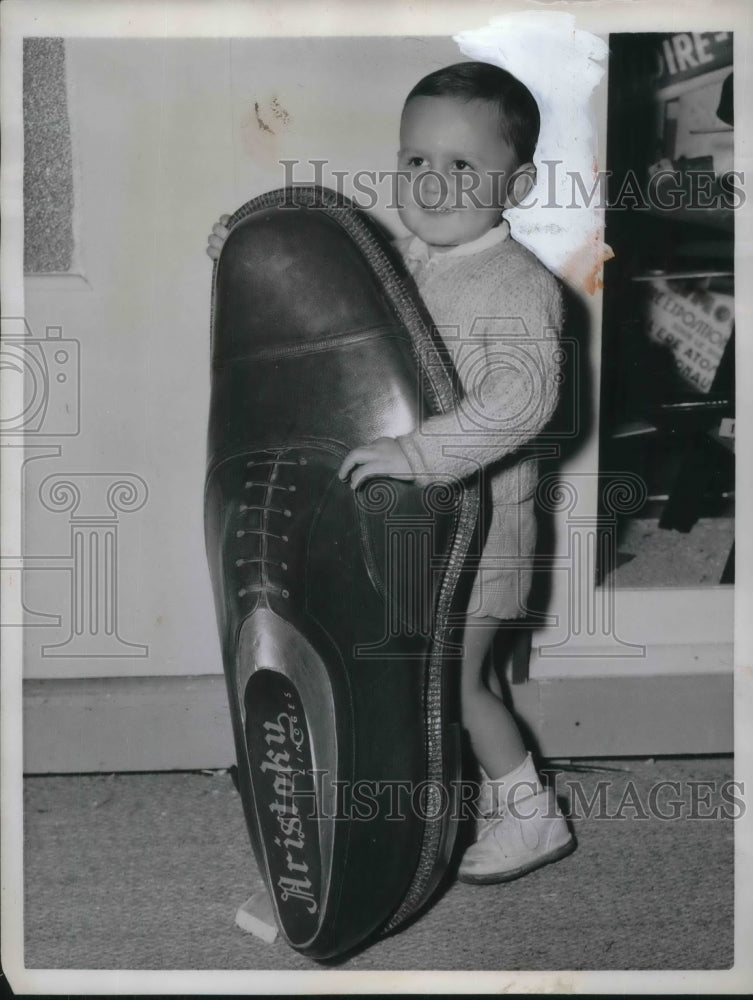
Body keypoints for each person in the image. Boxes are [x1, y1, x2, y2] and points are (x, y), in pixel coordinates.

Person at [207, 61, 574, 889]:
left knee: (457, 684)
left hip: (482, 541)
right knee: (411, 685)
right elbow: (324, 303)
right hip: (415, 533)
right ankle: (416, 813)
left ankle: (530, 815)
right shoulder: (400, 263)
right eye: (416, 163)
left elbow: (523, 400)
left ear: (517, 184)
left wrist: (417, 455)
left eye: (461, 168)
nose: (434, 187)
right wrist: (249, 253)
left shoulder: (516, 288)